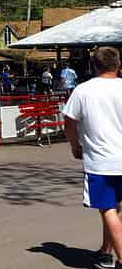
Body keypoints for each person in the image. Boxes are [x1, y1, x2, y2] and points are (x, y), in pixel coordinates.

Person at [62, 47, 122, 269]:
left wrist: (74, 145)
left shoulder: (83, 90)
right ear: (118, 65)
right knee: (115, 207)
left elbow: (69, 122)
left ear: (94, 66)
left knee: (107, 208)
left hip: (101, 160)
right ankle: (106, 252)